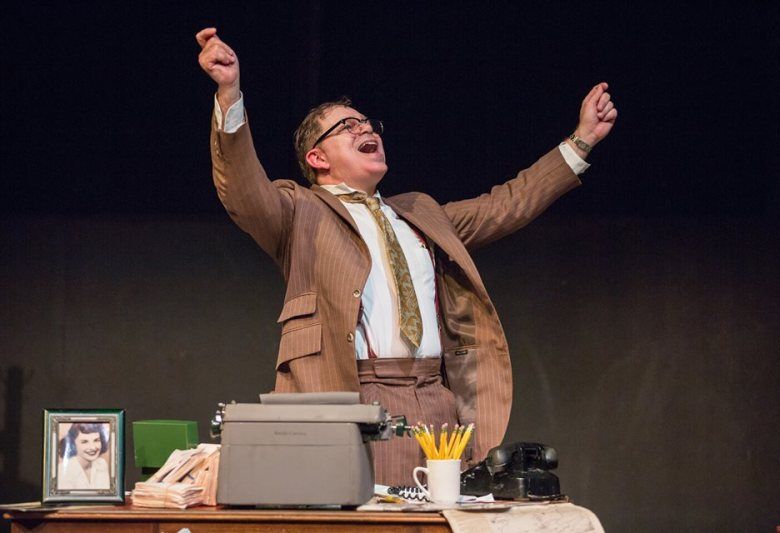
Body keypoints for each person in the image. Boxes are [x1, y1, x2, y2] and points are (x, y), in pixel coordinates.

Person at [196, 27, 616, 485]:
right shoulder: (299, 210)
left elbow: (507, 204)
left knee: (441, 520)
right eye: (347, 127)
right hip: (353, 392)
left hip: (436, 398)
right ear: (317, 158)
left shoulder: (420, 212)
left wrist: (581, 141)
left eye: (368, 123)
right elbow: (241, 186)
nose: (366, 129)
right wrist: (229, 92)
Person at [57, 423, 110, 490]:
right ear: (73, 444)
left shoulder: (101, 464)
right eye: (84, 442)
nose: (93, 447)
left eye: (96, 440)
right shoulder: (62, 471)